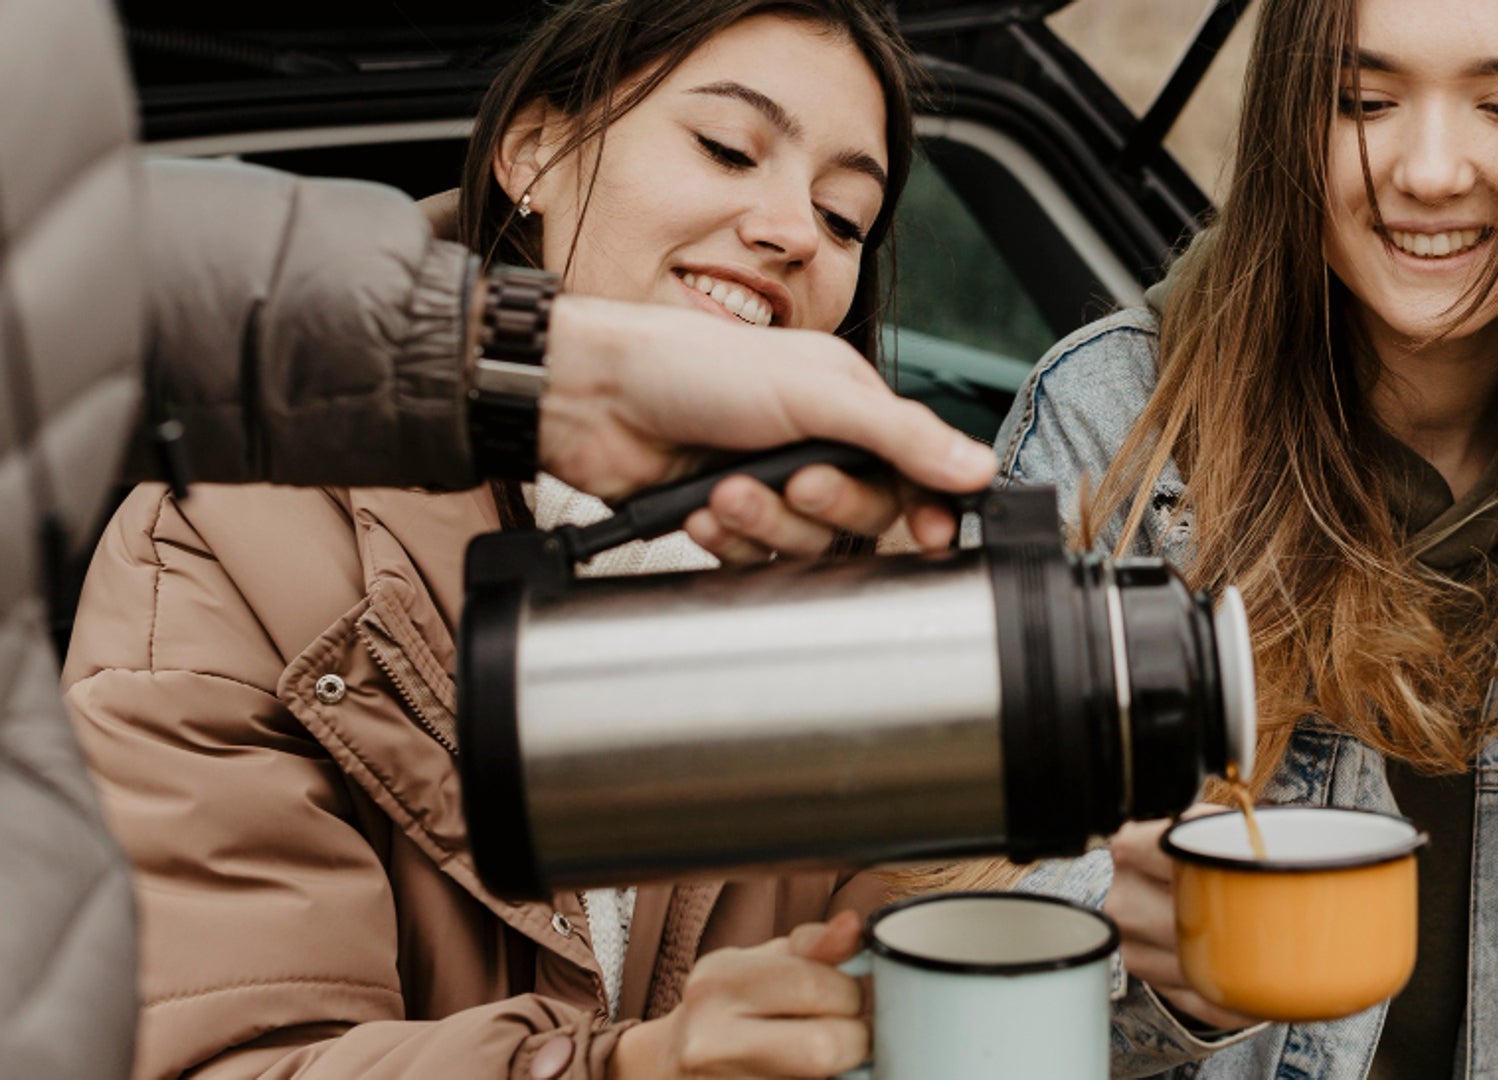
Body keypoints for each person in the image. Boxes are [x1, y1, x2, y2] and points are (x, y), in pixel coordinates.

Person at [24, 2, 988, 1080]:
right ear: (534, 152)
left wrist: (1144, 975)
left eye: (846, 216)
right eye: (727, 148)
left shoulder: (869, 598)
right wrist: (625, 1070)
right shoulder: (223, 547)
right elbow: (216, 1059)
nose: (793, 229)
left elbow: (945, 1002)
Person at [971, 0, 1498, 1075]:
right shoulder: (1110, 425)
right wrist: (1172, 983)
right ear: (1289, 123)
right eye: (1363, 102)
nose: (1427, 167)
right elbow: (987, 993)